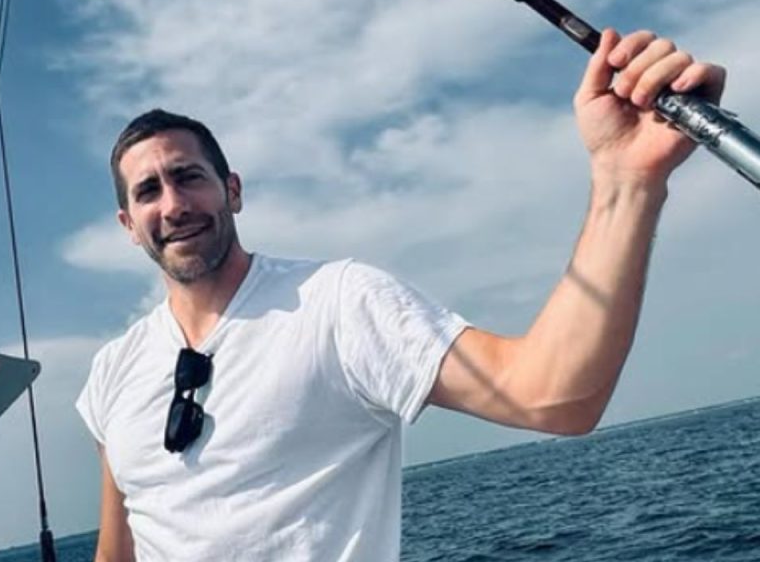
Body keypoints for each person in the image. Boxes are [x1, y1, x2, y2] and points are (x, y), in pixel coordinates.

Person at [76, 29, 726, 561]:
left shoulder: (338, 305)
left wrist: (624, 178)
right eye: (148, 191)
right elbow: (120, 548)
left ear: (233, 191)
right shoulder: (111, 373)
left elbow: (554, 396)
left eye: (189, 177)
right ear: (129, 227)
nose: (174, 203)